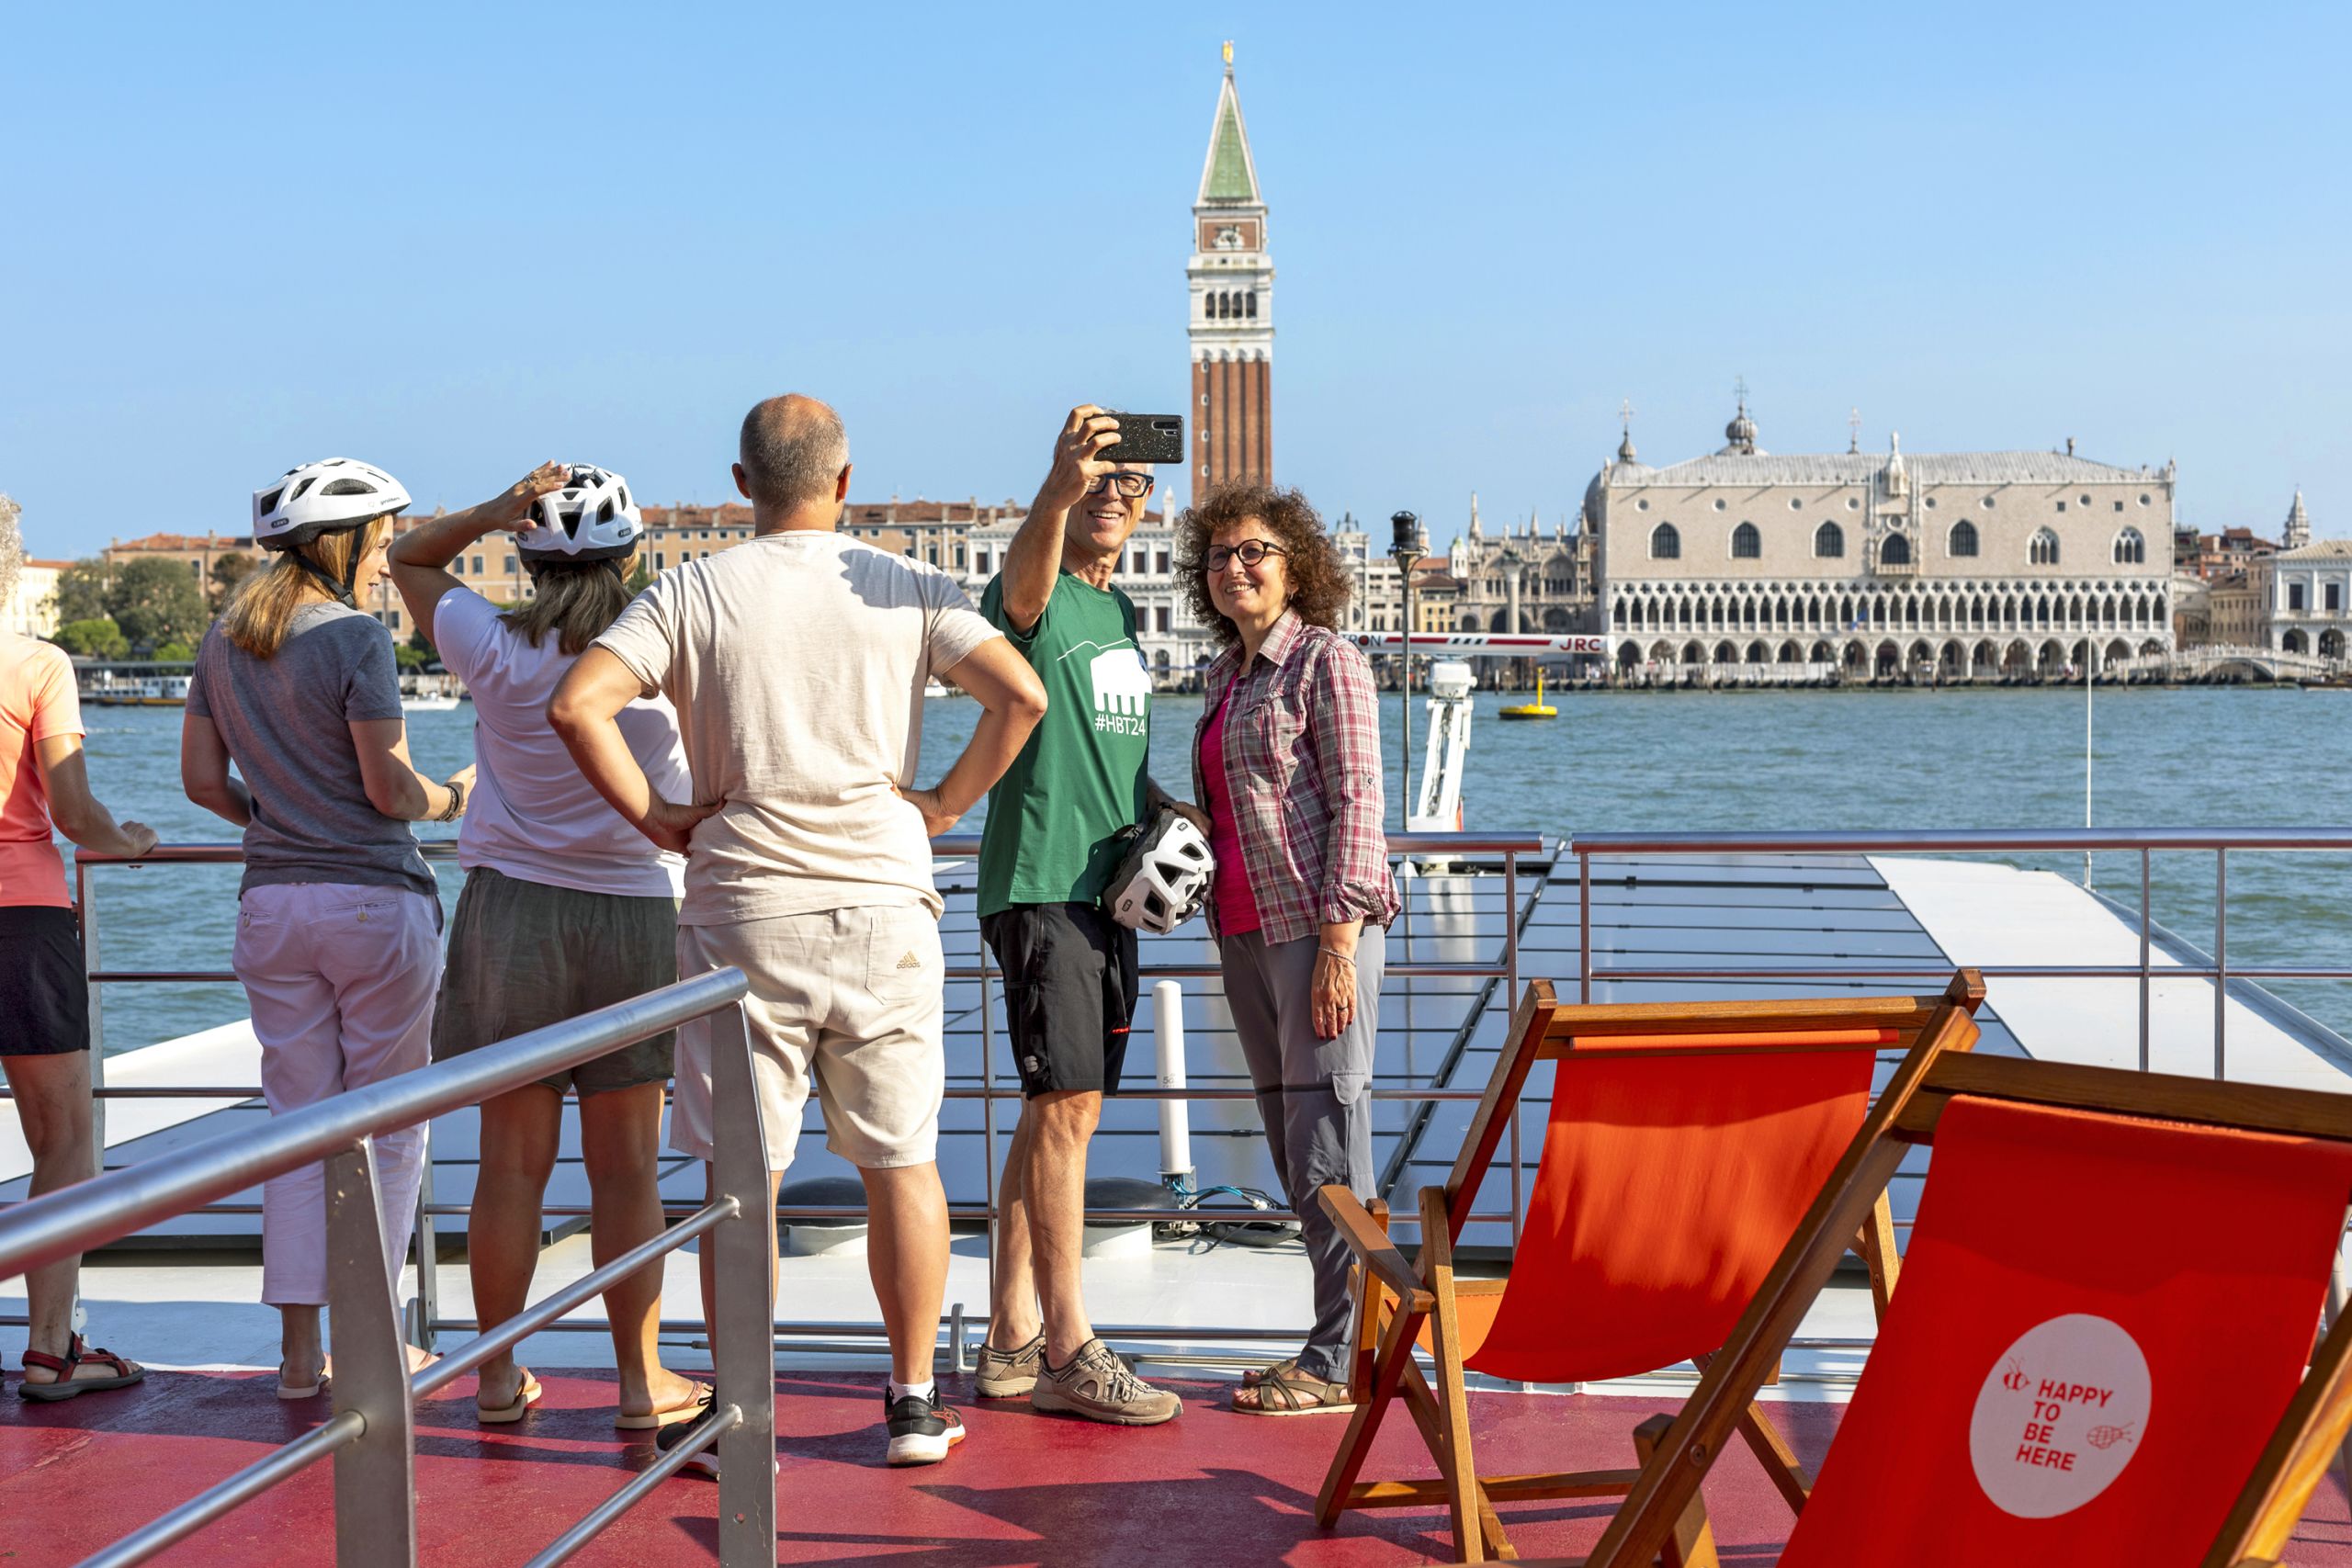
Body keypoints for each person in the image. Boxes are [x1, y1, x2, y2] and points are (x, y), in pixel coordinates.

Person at [549, 394, 1047, 1471]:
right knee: (903, 1163)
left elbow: (577, 704)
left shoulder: (689, 589)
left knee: (747, 1178)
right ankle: (913, 1402)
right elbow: (1019, 695)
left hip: (744, 909)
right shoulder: (904, 584)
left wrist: (659, 818)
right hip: (883, 902)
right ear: (845, 481)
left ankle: (744, 1413)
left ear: (741, 486)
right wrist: (945, 805)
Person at [387, 460, 709, 1429]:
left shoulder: (484, 642)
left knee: (508, 1167)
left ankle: (495, 1376)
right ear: (637, 554)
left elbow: (406, 554)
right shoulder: (662, 649)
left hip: (511, 914)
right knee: (626, 1172)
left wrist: (490, 508)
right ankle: (640, 1384)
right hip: (637, 914)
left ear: (524, 557)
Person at [183, 457, 470, 1397]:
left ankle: (301, 1356)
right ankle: (367, 1342)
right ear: (343, 543)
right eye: (382, 534)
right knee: (387, 1128)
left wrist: (278, 820)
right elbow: (390, 788)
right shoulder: (354, 638)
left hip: (271, 907)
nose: (389, 549)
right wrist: (454, 796)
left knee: (296, 1128)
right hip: (370, 905)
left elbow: (198, 783)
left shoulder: (225, 639)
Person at [969, 407, 1196, 1425]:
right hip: (1041, 883)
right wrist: (1056, 486)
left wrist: (1168, 815)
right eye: (1100, 477)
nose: (1115, 493)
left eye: (1131, 483)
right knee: (1065, 1112)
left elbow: (1120, 758)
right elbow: (1019, 588)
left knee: (1057, 1109)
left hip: (1109, 899)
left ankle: (1011, 1333)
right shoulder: (1037, 595)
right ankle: (1070, 1346)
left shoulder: (1122, 620)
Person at [1176, 482, 1398, 1416]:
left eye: (1254, 551)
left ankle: (1339, 1358)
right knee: (1287, 1139)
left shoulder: (1324, 662)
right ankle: (1339, 1341)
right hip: (1242, 929)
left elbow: (1359, 802)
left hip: (1315, 933)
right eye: (1220, 555)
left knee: (1326, 1140)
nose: (1235, 567)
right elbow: (1238, 808)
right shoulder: (1227, 677)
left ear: (1295, 563)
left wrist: (1341, 940)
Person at [0, 508, 156, 1401]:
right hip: (21, 922)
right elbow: (73, 811)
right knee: (64, 1141)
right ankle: (52, 1349)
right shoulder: (36, 663)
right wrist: (127, 841)